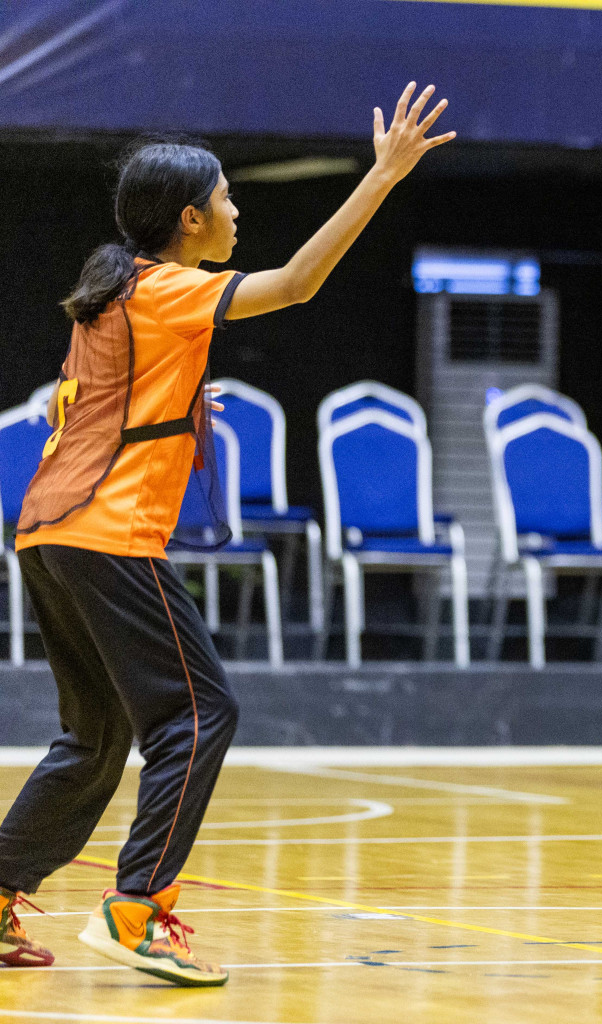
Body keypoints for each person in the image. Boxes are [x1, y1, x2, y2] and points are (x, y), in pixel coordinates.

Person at [0, 83, 453, 986]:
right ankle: (137, 910)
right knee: (201, 714)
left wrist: (168, 406)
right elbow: (298, 285)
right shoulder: (169, 288)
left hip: (47, 530)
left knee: (94, 740)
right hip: (107, 530)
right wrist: (384, 177)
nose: (237, 212)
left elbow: (83, 404)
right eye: (228, 200)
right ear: (190, 219)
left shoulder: (112, 290)